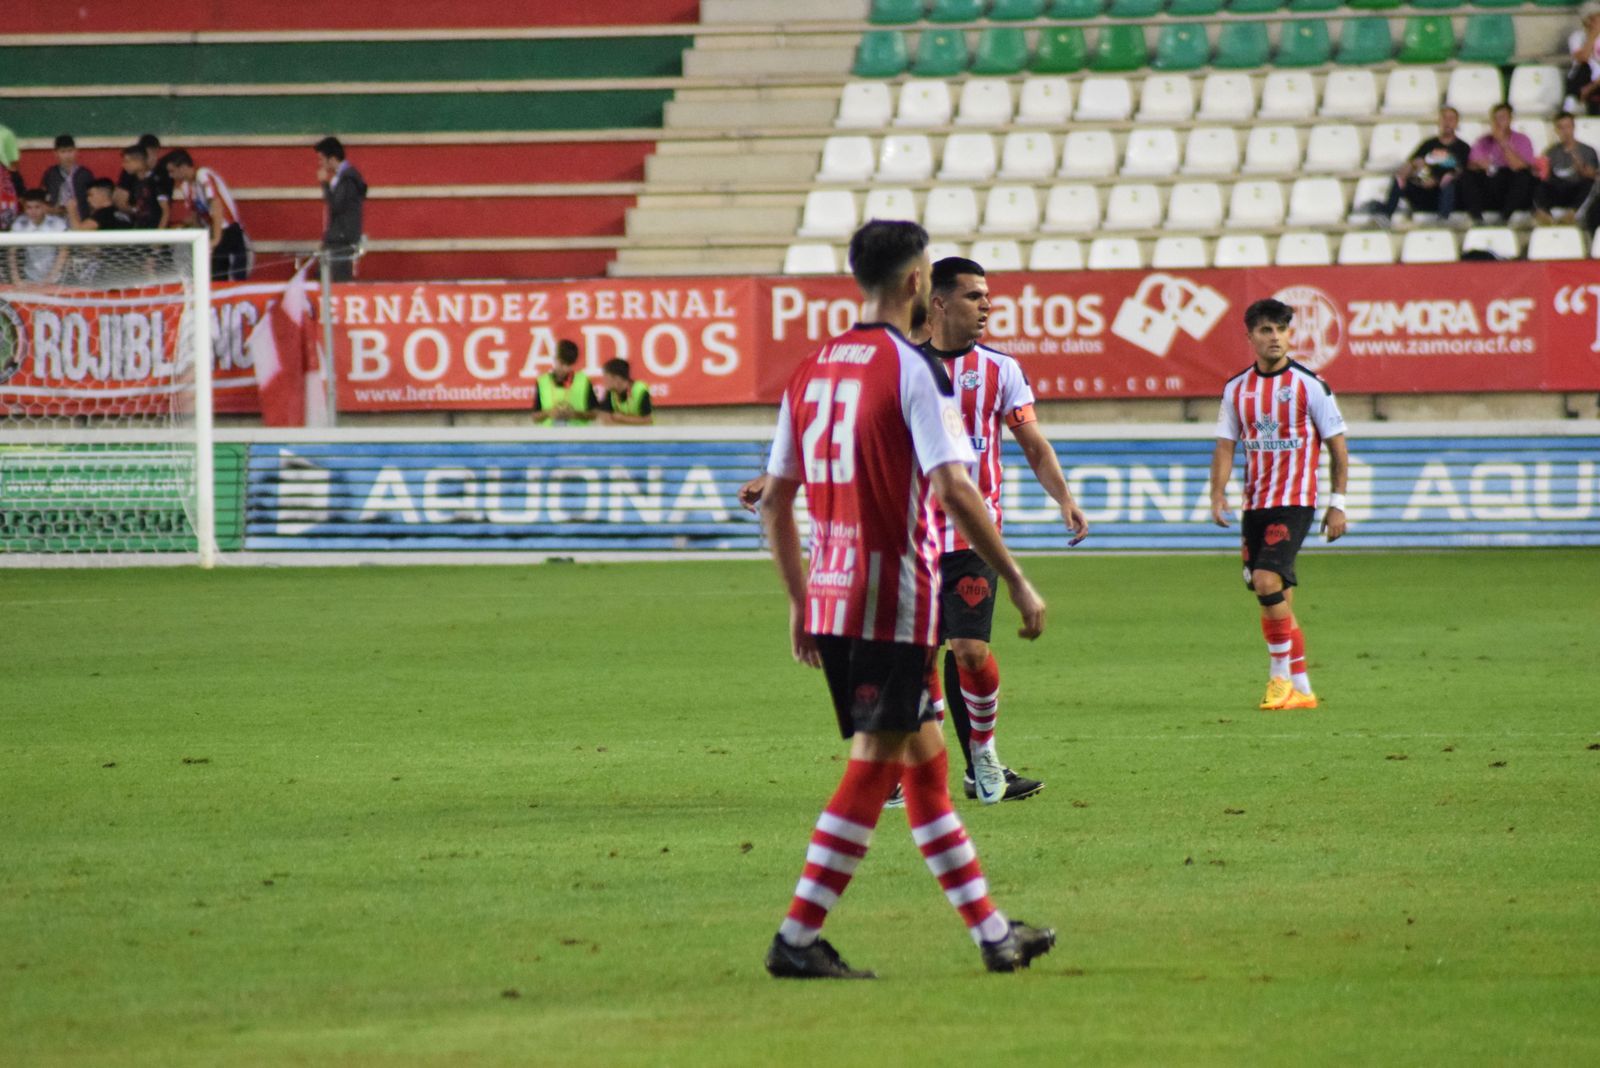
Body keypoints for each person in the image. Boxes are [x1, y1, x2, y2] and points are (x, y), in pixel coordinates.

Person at [760, 218, 1055, 981]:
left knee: (925, 770)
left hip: (831, 594)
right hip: (890, 599)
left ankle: (994, 936)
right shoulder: (912, 370)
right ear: (917, 282)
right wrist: (1016, 578)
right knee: (874, 767)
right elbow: (955, 487)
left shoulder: (813, 366)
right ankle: (795, 940)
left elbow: (775, 500)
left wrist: (798, 601)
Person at [918, 256, 1088, 805]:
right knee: (917, 656)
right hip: (911, 534)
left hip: (975, 534)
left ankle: (983, 758)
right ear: (939, 302)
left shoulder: (1000, 370)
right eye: (973, 296)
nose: (986, 304)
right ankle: (915, 770)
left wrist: (1063, 497)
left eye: (988, 296)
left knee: (968, 649)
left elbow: (1034, 444)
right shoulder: (902, 368)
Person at [1208, 299, 1350, 713]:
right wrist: (1218, 494)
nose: (1275, 338)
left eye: (1281, 330)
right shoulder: (1237, 389)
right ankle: (1303, 687)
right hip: (1256, 505)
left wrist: (1337, 504)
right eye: (1266, 330)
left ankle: (1279, 678)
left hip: (1296, 502)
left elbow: (1338, 450)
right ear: (1250, 336)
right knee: (1274, 592)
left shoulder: (1310, 385)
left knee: (1268, 583)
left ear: (1290, 335)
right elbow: (1224, 446)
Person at [1364, 107, 1470, 227]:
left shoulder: (1463, 148)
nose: (1447, 122)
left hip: (1448, 194)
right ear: (1439, 121)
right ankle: (1386, 214)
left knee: (1448, 181)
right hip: (1424, 190)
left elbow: (1464, 173)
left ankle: (1443, 220)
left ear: (1456, 123)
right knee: (1400, 177)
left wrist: (1437, 180)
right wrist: (1417, 175)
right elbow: (1412, 164)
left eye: (1451, 119)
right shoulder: (1428, 144)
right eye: (1444, 118)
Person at [165, 149, 251, 281]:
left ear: (182, 167)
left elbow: (216, 206)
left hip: (229, 230)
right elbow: (194, 217)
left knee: (233, 276)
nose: (170, 176)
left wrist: (216, 239)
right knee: (215, 277)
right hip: (212, 232)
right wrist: (181, 227)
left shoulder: (203, 175)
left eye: (172, 171)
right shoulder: (186, 187)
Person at [1459, 104, 1537, 223]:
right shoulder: (1483, 140)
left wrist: (1502, 142)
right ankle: (1477, 218)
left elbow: (1520, 167)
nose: (1498, 122)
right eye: (1495, 118)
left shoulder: (1522, 140)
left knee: (1524, 176)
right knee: (1466, 175)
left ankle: (1504, 218)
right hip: (1489, 182)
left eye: (1502, 118)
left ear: (1510, 119)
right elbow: (1471, 164)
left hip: (1510, 184)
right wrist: (1480, 164)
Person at [315, 136, 367, 282]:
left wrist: (324, 184)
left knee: (336, 281)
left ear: (331, 159)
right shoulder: (344, 177)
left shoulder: (348, 179)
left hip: (341, 239)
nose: (320, 164)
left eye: (321, 159)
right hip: (337, 237)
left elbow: (337, 205)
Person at [1534, 112, 1599, 224]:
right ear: (1557, 130)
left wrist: (1580, 165)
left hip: (1576, 188)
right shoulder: (1551, 152)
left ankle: (1572, 215)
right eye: (1561, 128)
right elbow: (1546, 177)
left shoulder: (1587, 150)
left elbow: (1593, 176)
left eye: (1568, 127)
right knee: (1537, 183)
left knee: (1589, 183)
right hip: (1558, 189)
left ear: (1573, 128)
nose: (1565, 132)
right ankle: (1545, 216)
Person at [6, 190, 68, 284]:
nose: (33, 211)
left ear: (44, 206)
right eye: (29, 208)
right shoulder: (19, 224)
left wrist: (51, 277)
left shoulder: (57, 223)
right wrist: (16, 279)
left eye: (37, 207)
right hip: (29, 278)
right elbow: (11, 253)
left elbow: (64, 251)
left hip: (56, 279)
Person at [531, 339, 598, 424]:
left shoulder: (583, 381)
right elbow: (535, 417)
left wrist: (575, 414)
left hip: (577, 435)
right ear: (555, 359)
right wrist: (549, 413)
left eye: (569, 365)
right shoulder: (542, 382)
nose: (565, 369)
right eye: (562, 363)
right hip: (549, 435)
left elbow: (594, 414)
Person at [114, 144, 168, 230]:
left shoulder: (156, 181)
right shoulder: (134, 181)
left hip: (153, 229)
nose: (123, 165)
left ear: (139, 161)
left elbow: (165, 211)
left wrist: (158, 237)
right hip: (139, 229)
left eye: (127, 161)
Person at [42, 134, 94, 221]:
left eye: (70, 151)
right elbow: (42, 198)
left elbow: (93, 199)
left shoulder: (84, 174)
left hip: (81, 218)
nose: (67, 156)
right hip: (56, 220)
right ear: (55, 154)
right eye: (63, 152)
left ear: (76, 151)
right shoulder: (51, 174)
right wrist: (53, 209)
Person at [596, 358, 654, 425]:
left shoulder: (640, 391)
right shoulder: (611, 392)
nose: (604, 381)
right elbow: (605, 417)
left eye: (606, 377)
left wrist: (622, 418)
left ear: (617, 379)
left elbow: (648, 420)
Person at [1567, 2, 1600, 115]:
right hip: (1583, 78)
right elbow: (1583, 58)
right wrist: (1593, 35)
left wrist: (1591, 87)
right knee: (1583, 69)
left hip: (1595, 83)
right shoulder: (1577, 37)